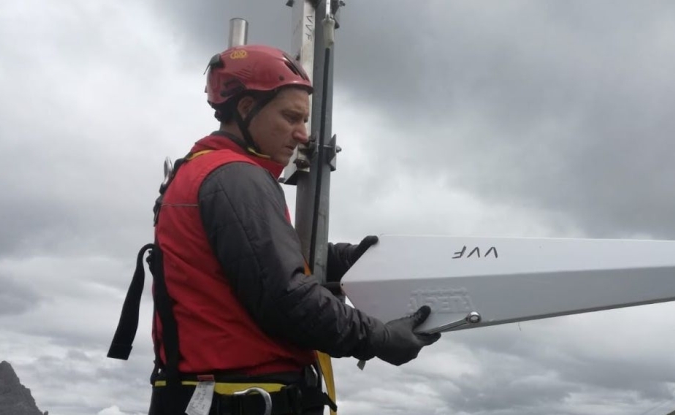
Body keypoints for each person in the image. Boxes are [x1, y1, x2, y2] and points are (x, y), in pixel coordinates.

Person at [107, 44, 440, 415]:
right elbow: (286, 298)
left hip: (204, 396)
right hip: (240, 400)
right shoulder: (236, 178)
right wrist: (380, 337)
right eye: (291, 117)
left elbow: (249, 264)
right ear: (247, 108)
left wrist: (344, 258)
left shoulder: (202, 170)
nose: (302, 134)